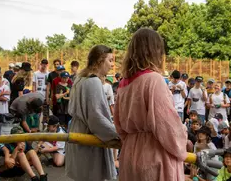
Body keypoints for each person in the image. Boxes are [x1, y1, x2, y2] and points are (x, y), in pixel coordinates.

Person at [114, 28, 187, 181]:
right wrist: (183, 140)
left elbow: (119, 125)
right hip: (154, 155)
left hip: (130, 153)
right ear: (155, 51)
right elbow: (168, 127)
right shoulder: (154, 80)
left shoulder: (124, 84)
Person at [66, 45, 119, 181]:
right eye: (110, 60)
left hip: (77, 132)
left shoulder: (80, 78)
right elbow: (97, 120)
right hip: (88, 140)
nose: (112, 65)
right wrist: (118, 134)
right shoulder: (93, 82)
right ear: (100, 60)